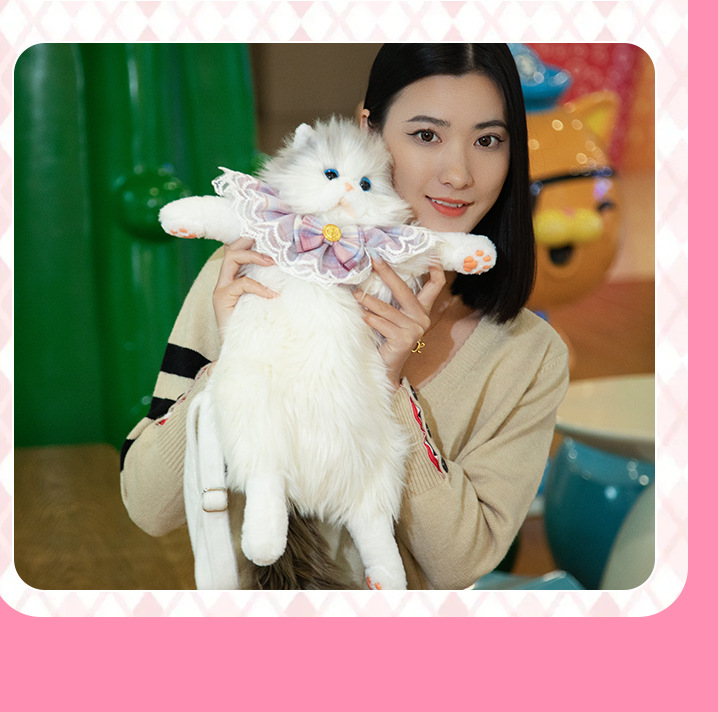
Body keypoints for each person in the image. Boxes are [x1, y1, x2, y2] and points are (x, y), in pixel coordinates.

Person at [120, 43, 569, 590]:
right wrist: (234, 360)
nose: (458, 173)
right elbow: (148, 506)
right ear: (368, 130)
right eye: (426, 135)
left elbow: (458, 565)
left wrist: (390, 388)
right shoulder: (250, 272)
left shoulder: (527, 353)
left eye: (488, 140)